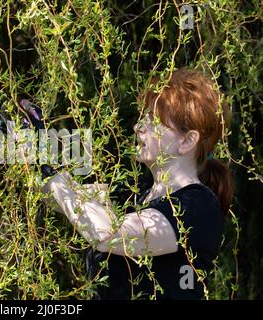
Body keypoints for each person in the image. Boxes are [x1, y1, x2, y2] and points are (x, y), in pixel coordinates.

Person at [33, 67, 234, 300]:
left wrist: (55, 178)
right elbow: (63, 202)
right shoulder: (134, 192)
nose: (138, 127)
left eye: (153, 121)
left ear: (187, 141)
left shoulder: (196, 207)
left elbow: (108, 234)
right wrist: (38, 151)